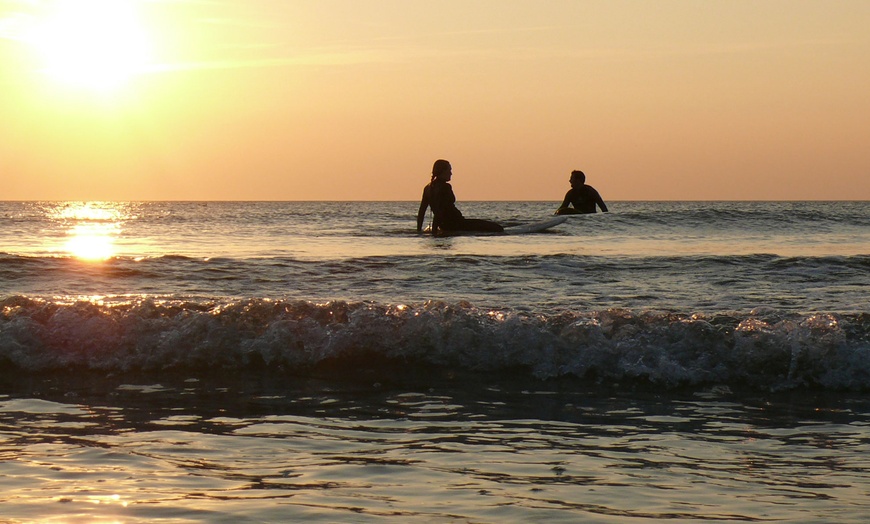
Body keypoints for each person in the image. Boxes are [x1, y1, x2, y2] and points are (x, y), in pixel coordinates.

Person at [417, 159, 503, 234]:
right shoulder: (445, 187)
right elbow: (440, 211)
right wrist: (434, 232)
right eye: (449, 170)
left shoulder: (427, 188)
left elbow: (422, 212)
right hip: (457, 223)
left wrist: (419, 231)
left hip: (446, 225)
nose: (451, 173)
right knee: (498, 228)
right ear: (442, 171)